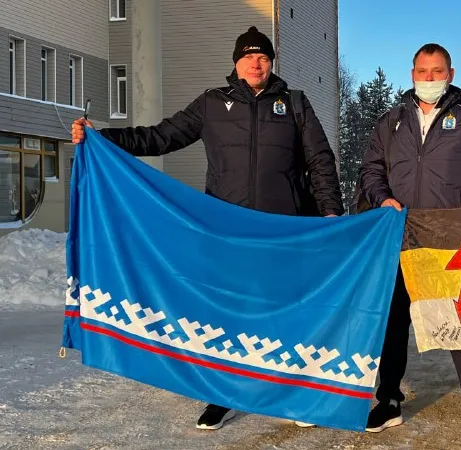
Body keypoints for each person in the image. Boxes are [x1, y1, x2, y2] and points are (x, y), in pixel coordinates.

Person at [71, 25, 343, 431]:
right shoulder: (212, 104)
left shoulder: (296, 104)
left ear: (271, 63)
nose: (256, 63)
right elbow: (160, 137)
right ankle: (223, 394)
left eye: (264, 57)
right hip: (226, 231)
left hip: (283, 230)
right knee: (227, 315)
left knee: (285, 313)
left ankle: (293, 396)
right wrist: (102, 137)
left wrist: (331, 213)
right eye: (249, 56)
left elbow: (320, 160)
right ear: (235, 63)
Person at [359, 43, 461, 442]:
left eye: (437, 71)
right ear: (412, 74)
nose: (429, 78)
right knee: (393, 322)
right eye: (422, 71)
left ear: (451, 74)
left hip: (447, 241)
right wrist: (381, 198)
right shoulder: (391, 122)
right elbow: (371, 170)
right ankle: (388, 399)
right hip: (400, 236)